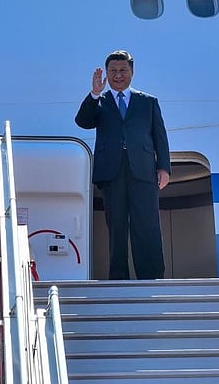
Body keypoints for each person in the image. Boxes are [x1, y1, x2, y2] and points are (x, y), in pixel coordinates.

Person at [75, 50, 170, 280]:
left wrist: (164, 168)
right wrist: (94, 93)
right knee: (116, 227)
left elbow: (160, 136)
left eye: (123, 70)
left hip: (143, 171)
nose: (118, 75)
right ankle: (118, 279)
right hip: (112, 172)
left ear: (132, 72)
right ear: (107, 74)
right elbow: (83, 122)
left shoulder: (148, 102)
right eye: (113, 71)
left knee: (147, 225)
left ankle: (152, 277)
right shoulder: (100, 101)